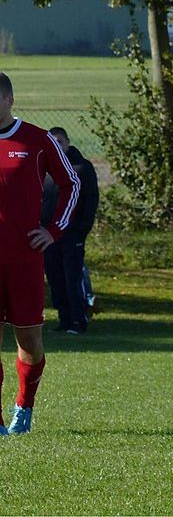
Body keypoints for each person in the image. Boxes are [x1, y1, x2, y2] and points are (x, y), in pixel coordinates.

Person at [0, 72, 80, 434]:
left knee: (29, 339)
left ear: (10, 100)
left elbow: (72, 183)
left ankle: (24, 408)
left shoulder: (37, 139)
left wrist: (54, 230)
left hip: (24, 260)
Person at [42, 126, 100, 334]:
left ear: (67, 142)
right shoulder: (46, 169)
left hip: (72, 233)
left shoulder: (81, 168)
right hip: (49, 235)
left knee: (72, 276)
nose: (56, 146)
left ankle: (79, 319)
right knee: (55, 276)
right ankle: (64, 319)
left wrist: (82, 229)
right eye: (52, 142)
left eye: (59, 142)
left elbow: (91, 199)